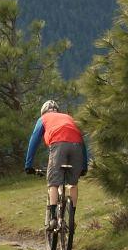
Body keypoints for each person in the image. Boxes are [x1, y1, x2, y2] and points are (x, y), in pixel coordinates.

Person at [23, 99, 87, 231]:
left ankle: (52, 219)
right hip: (77, 146)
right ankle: (71, 220)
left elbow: (34, 141)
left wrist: (28, 165)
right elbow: (82, 140)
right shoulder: (69, 118)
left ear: (43, 112)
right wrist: (84, 166)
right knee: (73, 184)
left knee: (53, 183)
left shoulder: (43, 118)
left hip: (59, 145)